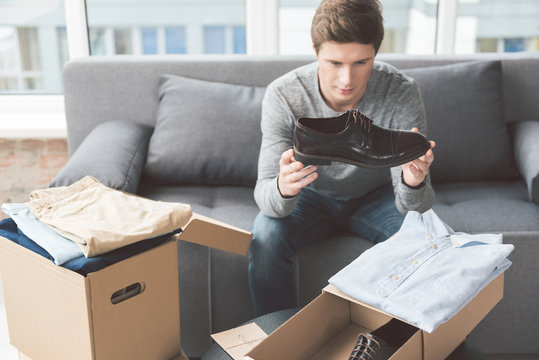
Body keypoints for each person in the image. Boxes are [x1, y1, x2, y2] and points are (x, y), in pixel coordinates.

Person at [248, 0, 436, 317]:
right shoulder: (284, 95)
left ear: (376, 54)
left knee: (423, 238)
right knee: (265, 237)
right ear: (315, 51)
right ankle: (278, 340)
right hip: (311, 197)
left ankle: (398, 344)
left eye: (361, 63)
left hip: (376, 197)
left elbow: (417, 206)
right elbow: (266, 199)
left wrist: (412, 182)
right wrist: (284, 187)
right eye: (335, 63)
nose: (347, 80)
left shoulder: (400, 92)